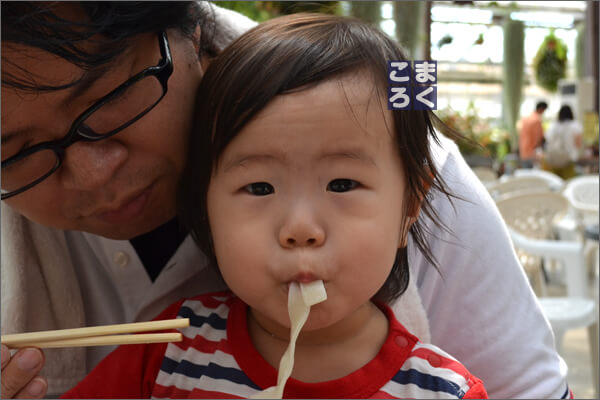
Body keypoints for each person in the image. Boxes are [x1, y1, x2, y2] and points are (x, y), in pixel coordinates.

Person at [0, 2, 570, 399]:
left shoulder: (401, 153)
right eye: (18, 150)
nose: (93, 171)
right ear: (207, 207)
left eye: (108, 100)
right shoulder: (177, 347)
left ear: (192, 33)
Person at [541, 105, 583, 179]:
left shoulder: (553, 125)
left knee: (555, 182)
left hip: (553, 159)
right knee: (568, 183)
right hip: (568, 159)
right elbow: (578, 144)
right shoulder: (575, 125)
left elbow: (547, 140)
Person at [518, 101, 548, 166]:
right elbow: (538, 138)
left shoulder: (525, 118)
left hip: (523, 150)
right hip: (532, 153)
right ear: (541, 109)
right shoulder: (537, 120)